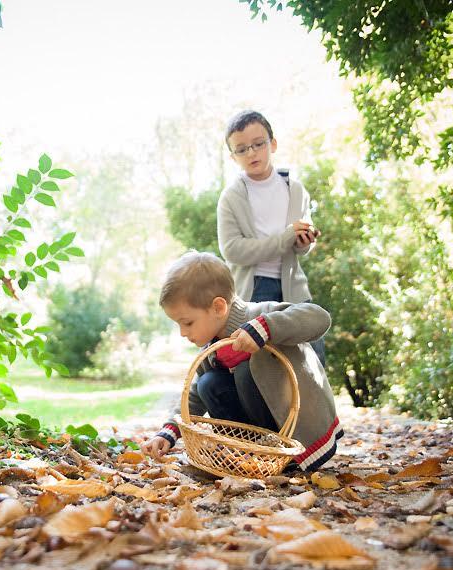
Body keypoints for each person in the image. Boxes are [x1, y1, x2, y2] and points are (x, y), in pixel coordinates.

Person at [141, 252, 343, 473]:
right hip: (258, 425)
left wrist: (266, 328)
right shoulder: (211, 348)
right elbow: (194, 395)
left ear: (218, 308)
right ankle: (246, 451)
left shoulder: (260, 314)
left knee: (247, 369)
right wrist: (170, 431)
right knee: (207, 383)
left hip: (296, 427)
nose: (182, 332)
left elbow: (319, 317)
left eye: (187, 323)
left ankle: (279, 449)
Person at [217, 110, 326, 366]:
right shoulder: (231, 197)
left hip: (293, 287)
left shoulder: (295, 190)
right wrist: (286, 237)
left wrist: (303, 242)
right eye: (242, 149)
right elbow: (232, 250)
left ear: (273, 144)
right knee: (258, 367)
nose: (251, 153)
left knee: (313, 359)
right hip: (252, 291)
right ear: (233, 157)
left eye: (258, 144)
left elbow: (299, 247)